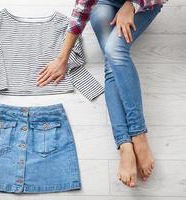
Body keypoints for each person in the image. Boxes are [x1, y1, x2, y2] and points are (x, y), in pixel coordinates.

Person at [36, 0, 167, 187]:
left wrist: (130, 5)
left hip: (145, 3)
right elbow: (80, 12)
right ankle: (125, 145)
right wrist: (62, 58)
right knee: (111, 58)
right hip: (104, 3)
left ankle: (138, 135)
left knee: (114, 49)